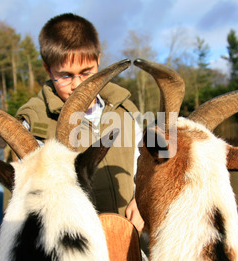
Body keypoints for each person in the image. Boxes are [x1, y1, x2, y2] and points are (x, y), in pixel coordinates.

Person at [15, 13, 144, 231]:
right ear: (48, 69)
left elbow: (146, 166)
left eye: (86, 73)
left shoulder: (127, 111)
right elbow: (26, 199)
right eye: (65, 76)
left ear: (98, 60)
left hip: (128, 234)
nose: (78, 85)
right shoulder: (33, 124)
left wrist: (141, 198)